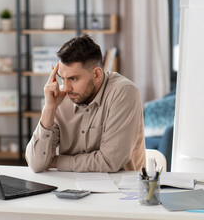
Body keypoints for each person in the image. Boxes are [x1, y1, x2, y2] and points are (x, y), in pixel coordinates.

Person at [26, 35, 146, 173]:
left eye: (73, 78)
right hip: (70, 188)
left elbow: (110, 161)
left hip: (119, 190)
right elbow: (36, 164)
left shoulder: (123, 92)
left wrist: (56, 161)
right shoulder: (60, 97)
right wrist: (49, 108)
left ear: (96, 75)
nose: (66, 87)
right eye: (62, 78)